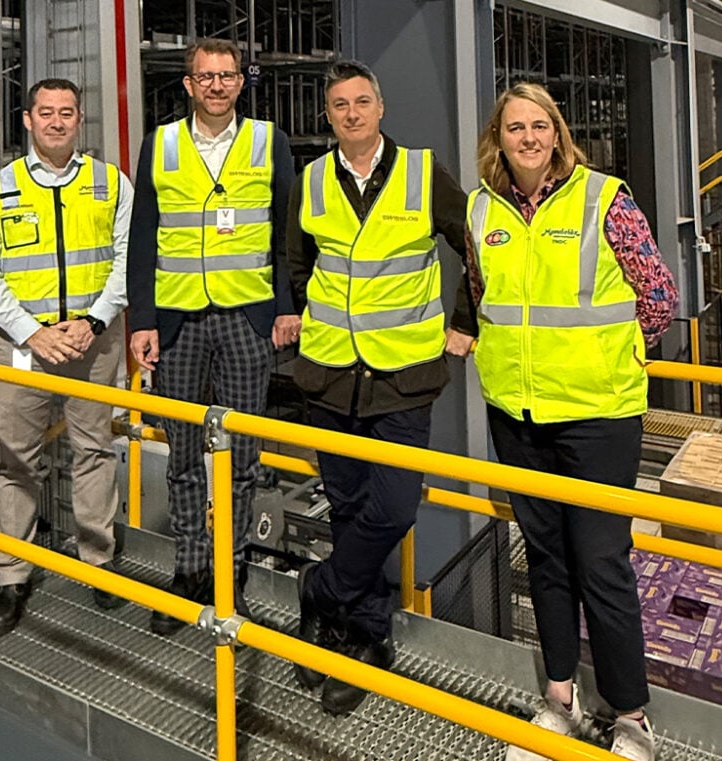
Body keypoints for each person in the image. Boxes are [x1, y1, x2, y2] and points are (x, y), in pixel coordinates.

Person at [453, 83, 678, 761]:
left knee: (602, 561)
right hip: (517, 412)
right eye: (515, 127)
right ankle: (560, 701)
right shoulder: (482, 208)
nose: (528, 137)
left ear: (558, 134)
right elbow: (479, 293)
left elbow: (658, 295)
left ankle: (630, 716)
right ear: (498, 137)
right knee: (545, 558)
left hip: (597, 415)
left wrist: (610, 357)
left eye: (539, 126)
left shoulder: (604, 199)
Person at [288, 60, 477, 716]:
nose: (350, 113)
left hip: (403, 376)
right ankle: (360, 634)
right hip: (330, 374)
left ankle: (322, 591)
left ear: (381, 107)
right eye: (338, 105)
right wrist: (299, 313)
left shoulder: (423, 174)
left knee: (393, 507)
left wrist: (464, 320)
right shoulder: (312, 180)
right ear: (328, 114)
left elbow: (475, 246)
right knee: (346, 508)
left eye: (360, 101)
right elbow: (295, 261)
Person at [126, 38, 296, 635]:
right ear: (189, 85)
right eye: (206, 77)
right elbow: (142, 236)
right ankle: (191, 571)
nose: (217, 85)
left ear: (240, 84)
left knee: (242, 460)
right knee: (183, 457)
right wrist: (141, 321)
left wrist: (285, 307)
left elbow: (285, 233)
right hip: (176, 323)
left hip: (248, 321)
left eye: (227, 76)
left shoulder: (267, 141)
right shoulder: (162, 144)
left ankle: (232, 573)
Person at [0, 78, 133, 636]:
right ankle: (12, 577)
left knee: (95, 451)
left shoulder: (111, 183)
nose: (57, 122)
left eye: (67, 113)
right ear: (28, 120)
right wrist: (32, 334)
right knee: (17, 461)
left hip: (94, 343)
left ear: (79, 119)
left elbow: (128, 260)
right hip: (22, 349)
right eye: (46, 113)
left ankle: (99, 562)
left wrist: (93, 321)